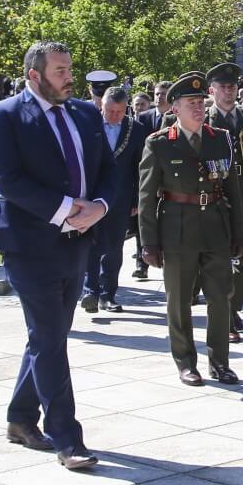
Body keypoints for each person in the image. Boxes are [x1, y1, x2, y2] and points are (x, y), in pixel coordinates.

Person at [0, 40, 115, 471]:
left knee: (48, 337)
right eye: (60, 71)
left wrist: (99, 207)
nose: (70, 77)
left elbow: (109, 170)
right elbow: (7, 178)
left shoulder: (85, 114)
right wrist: (67, 209)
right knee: (50, 337)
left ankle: (20, 419)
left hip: (76, 242)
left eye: (70, 69)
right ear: (34, 75)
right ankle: (67, 438)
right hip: (28, 244)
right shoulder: (4, 115)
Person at [138, 72, 243, 386]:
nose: (198, 108)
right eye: (191, 103)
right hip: (177, 229)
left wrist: (239, 232)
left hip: (215, 226)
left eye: (200, 102)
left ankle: (220, 362)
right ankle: (186, 362)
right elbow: (146, 196)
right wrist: (149, 242)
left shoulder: (220, 138)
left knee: (220, 298)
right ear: (175, 109)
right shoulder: (159, 143)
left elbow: (234, 190)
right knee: (179, 300)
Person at [206, 63, 243, 341]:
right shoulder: (205, 121)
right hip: (217, 198)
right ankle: (224, 316)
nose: (228, 91)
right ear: (212, 91)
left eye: (232, 86)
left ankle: (231, 307)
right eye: (223, 87)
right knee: (219, 261)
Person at [82, 86, 144, 314]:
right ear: (102, 106)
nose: (114, 116)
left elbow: (140, 167)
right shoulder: (88, 125)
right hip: (90, 195)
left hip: (120, 197)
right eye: (109, 111)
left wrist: (137, 199)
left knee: (114, 247)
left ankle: (107, 294)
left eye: (119, 111)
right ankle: (90, 291)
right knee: (89, 243)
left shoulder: (135, 130)